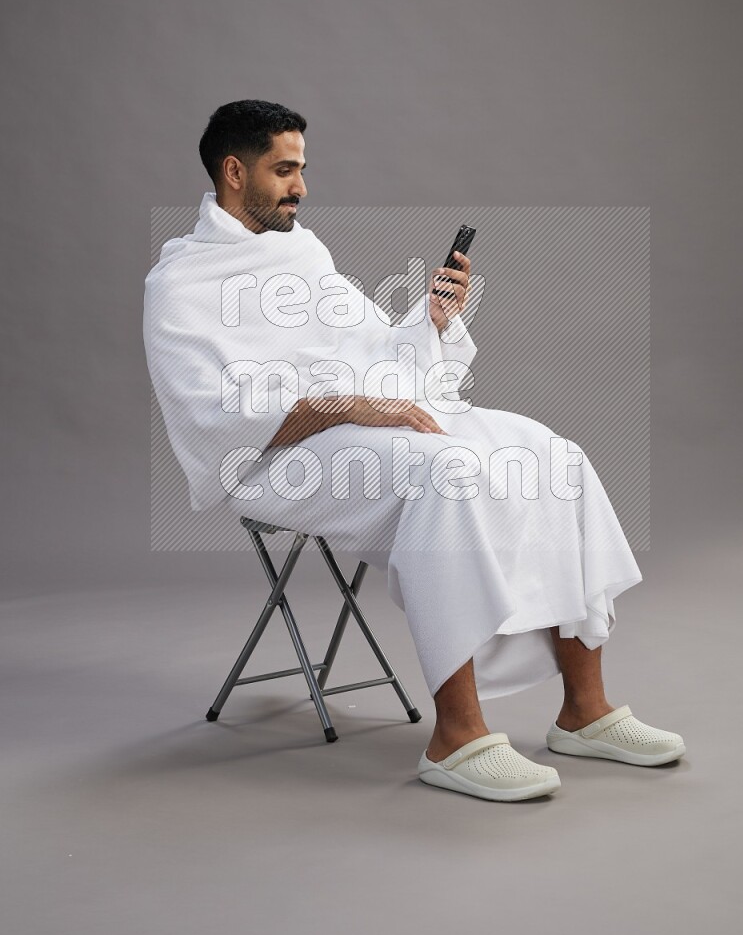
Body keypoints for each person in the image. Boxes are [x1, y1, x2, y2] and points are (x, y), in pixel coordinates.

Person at [143, 99, 685, 803]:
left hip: (362, 429)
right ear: (234, 170)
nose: (301, 186)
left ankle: (584, 711)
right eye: (285, 170)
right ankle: (455, 737)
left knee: (552, 454)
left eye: (302, 169)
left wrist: (430, 321)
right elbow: (211, 412)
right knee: (449, 471)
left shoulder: (301, 252)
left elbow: (370, 349)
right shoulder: (180, 284)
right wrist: (351, 407)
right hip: (272, 458)